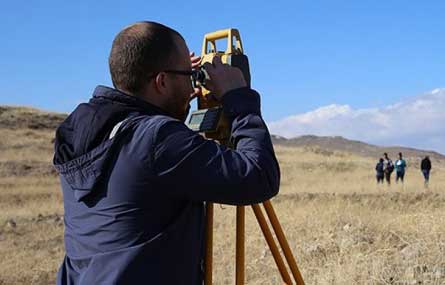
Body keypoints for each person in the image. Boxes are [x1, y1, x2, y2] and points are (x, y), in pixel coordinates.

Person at [52, 21, 280, 284]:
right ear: (161, 81)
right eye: (188, 75)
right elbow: (258, 177)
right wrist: (238, 97)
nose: (193, 83)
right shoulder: (156, 140)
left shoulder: (87, 131)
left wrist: (176, 93)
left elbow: (143, 172)